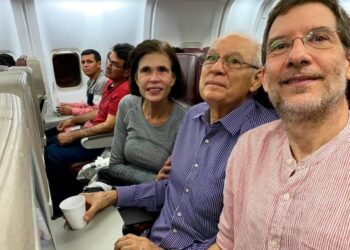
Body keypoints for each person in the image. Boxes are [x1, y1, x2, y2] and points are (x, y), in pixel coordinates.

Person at [82, 33, 278, 249]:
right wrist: (113, 196)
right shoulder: (193, 117)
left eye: (233, 61)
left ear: (257, 79)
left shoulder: (268, 136)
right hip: (152, 238)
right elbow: (173, 189)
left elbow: (246, 239)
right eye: (211, 58)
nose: (216, 68)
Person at [211, 0, 350, 249]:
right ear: (264, 78)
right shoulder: (248, 146)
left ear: (348, 64)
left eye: (318, 38)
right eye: (280, 45)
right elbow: (226, 243)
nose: (297, 55)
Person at [45, 43, 134, 219]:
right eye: (109, 61)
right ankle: (66, 194)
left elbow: (109, 126)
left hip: (100, 139)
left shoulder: (124, 90)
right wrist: (73, 120)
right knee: (50, 141)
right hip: (93, 132)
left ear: (127, 71)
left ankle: (63, 205)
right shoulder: (110, 84)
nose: (109, 65)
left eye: (115, 64)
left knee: (51, 154)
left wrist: (74, 134)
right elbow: (96, 111)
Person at [85, 39, 189, 189]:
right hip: (122, 185)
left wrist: (157, 183)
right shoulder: (127, 105)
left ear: (173, 78)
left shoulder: (187, 118)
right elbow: (114, 166)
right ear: (136, 78)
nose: (154, 78)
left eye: (162, 70)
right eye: (145, 70)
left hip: (157, 195)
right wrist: (153, 179)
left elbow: (174, 181)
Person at [56, 49, 108, 117]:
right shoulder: (91, 81)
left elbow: (96, 111)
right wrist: (70, 105)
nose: (85, 65)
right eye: (83, 62)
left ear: (98, 64)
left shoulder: (102, 82)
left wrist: (71, 110)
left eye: (89, 62)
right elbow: (88, 103)